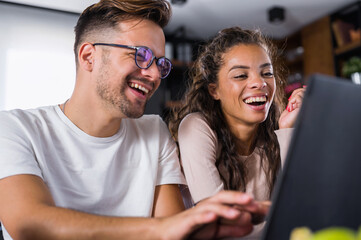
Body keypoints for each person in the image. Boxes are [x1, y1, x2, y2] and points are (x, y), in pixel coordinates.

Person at [0, 1, 270, 240]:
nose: (153, 74)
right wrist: (166, 228)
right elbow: (29, 225)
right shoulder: (14, 129)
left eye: (159, 64)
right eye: (140, 55)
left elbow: (173, 230)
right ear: (88, 57)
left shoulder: (153, 131)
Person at [169, 27, 305, 239]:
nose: (259, 83)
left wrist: (288, 130)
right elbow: (219, 223)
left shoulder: (273, 134)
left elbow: (301, 203)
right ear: (214, 90)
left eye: (267, 73)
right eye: (241, 75)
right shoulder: (196, 127)